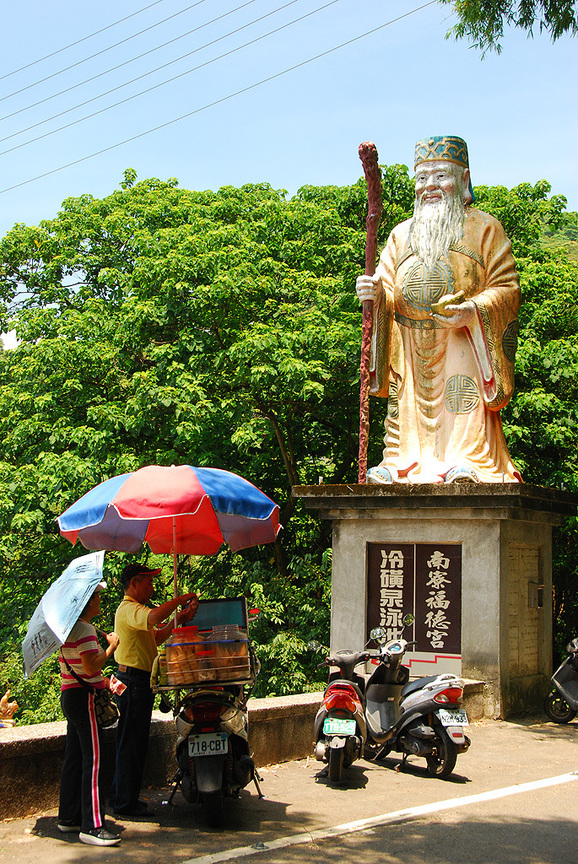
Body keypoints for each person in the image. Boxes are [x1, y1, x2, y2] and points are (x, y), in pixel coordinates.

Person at [356, 135, 522, 485]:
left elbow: (507, 288)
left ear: (463, 181)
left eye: (441, 176)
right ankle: (402, 460)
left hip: (464, 335)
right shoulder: (401, 235)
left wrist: (473, 312)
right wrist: (374, 293)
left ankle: (467, 459)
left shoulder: (485, 228)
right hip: (410, 341)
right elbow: (384, 285)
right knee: (405, 397)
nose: (429, 186)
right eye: (422, 178)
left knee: (461, 391)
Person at [109, 563, 199, 818]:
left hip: (140, 681)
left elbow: (156, 637)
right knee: (130, 745)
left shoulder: (135, 612)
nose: (151, 587)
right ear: (134, 584)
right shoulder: (129, 609)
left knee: (133, 743)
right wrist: (180, 599)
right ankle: (123, 803)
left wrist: (178, 619)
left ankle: (123, 797)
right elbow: (154, 618)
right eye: (147, 583)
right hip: (132, 681)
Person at [57, 581, 121, 847]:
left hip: (69, 695)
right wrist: (111, 647)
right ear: (87, 601)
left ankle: (69, 816)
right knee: (93, 760)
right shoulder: (83, 630)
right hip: (84, 699)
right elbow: (90, 666)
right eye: (96, 596)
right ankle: (92, 825)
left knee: (74, 756)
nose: (99, 600)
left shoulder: (68, 629)